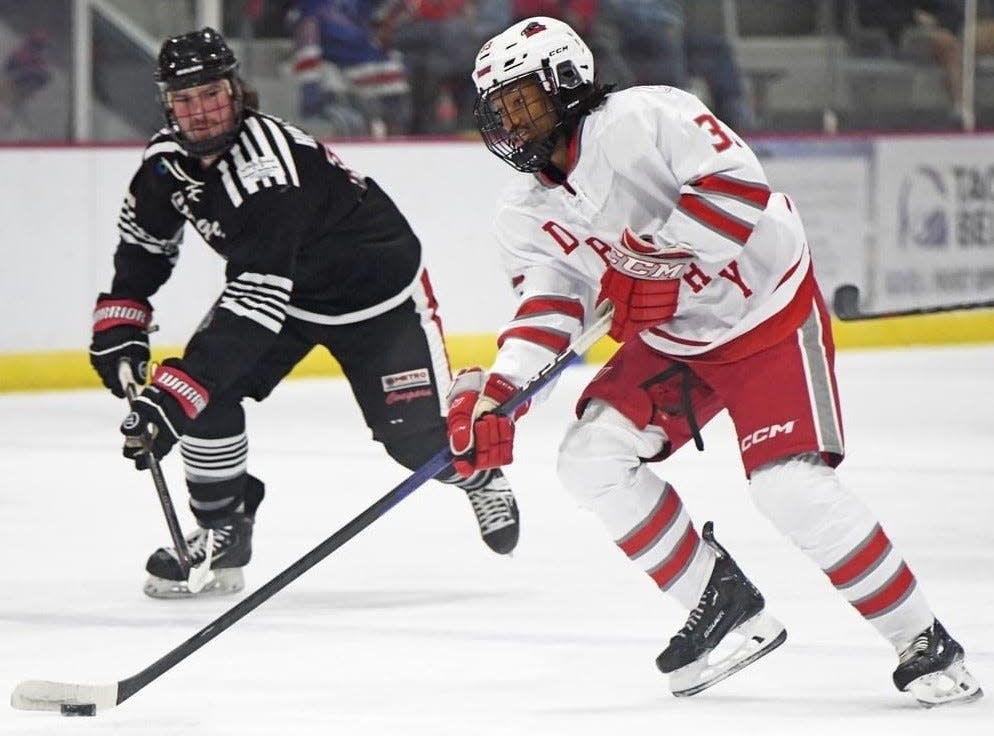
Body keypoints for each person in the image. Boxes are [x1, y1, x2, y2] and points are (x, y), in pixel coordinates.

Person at [447, 15, 983, 705]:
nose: (512, 124)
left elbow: (737, 187)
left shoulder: (644, 118)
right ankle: (722, 604)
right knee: (589, 459)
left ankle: (924, 640)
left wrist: (657, 261)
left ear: (567, 82)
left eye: (522, 101)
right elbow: (552, 307)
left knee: (787, 488)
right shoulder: (522, 212)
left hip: (765, 314)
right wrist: (500, 396)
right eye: (500, 111)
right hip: (679, 343)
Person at [88, 27, 519, 599]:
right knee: (206, 396)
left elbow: (254, 303)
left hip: (377, 298)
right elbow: (145, 244)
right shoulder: (166, 163)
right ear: (167, 104)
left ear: (236, 90)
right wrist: (122, 323)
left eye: (210, 94)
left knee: (415, 446)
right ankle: (222, 532)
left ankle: (479, 472)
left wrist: (171, 398)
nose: (200, 111)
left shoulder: (264, 172)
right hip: (287, 293)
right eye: (184, 99)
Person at [287, 0, 411, 136]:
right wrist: (310, 84)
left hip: (380, 66)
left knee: (399, 104)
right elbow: (307, 40)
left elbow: (386, 16)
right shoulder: (312, 10)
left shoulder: (351, 6)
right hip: (350, 71)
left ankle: (396, 141)